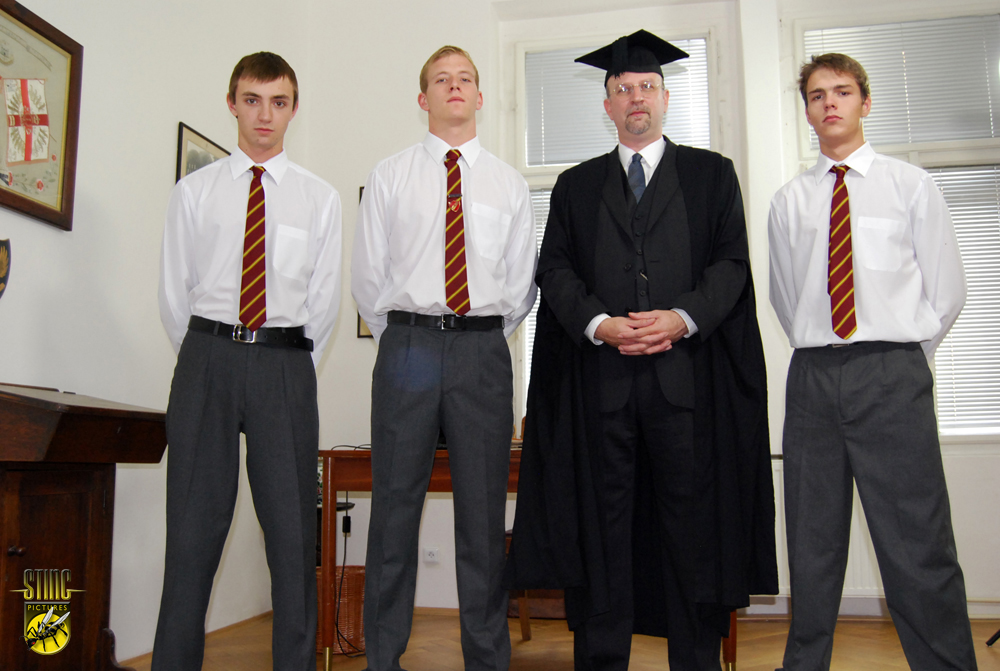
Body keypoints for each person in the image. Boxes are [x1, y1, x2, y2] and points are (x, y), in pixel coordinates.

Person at [505, 29, 777, 671]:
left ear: (665, 97)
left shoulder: (712, 176)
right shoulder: (574, 186)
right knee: (603, 532)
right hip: (602, 391)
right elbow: (555, 271)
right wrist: (598, 323)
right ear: (607, 104)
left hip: (688, 390)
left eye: (647, 86)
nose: (636, 98)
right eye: (623, 88)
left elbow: (732, 265)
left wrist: (682, 318)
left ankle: (695, 661)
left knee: (692, 532)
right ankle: (603, 660)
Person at [768, 53, 976, 671]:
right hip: (813, 379)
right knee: (811, 544)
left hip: (892, 375)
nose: (829, 103)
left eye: (842, 91)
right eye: (816, 95)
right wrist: (827, 349)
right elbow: (787, 297)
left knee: (918, 544)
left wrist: (901, 357)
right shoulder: (790, 202)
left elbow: (946, 292)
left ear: (865, 101)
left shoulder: (910, 185)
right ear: (807, 112)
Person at [351, 45, 537, 671]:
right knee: (393, 512)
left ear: (479, 96)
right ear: (423, 97)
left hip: (483, 351)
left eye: (464, 79)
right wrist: (408, 334)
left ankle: (486, 659)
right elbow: (368, 278)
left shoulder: (509, 184)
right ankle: (383, 658)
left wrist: (474, 334)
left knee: (482, 519)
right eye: (440, 79)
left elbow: (520, 287)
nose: (453, 87)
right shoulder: (390, 176)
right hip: (406, 346)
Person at [155, 52, 342, 671]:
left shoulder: (319, 198)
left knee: (292, 536)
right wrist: (208, 358)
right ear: (232, 103)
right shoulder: (194, 191)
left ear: (294, 108)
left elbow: (322, 305)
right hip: (206, 360)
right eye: (253, 100)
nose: (265, 115)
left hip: (284, 365)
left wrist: (285, 366)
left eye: (279, 102)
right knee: (191, 534)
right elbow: (174, 294)